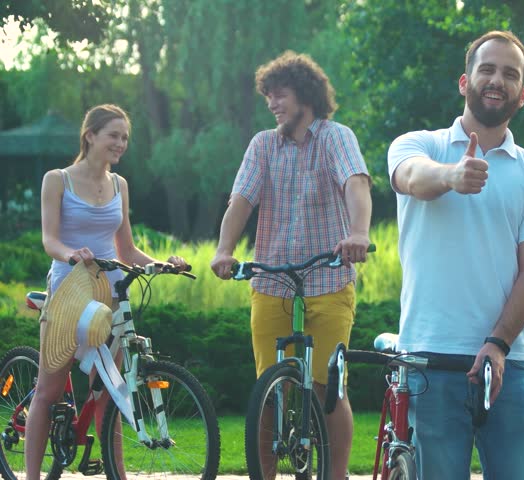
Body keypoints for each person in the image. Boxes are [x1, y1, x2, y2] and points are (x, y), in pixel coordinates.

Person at [387, 31, 524, 479]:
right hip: (429, 361)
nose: (496, 80)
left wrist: (499, 344)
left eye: (509, 74)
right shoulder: (416, 145)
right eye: (487, 69)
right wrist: (452, 175)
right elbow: (411, 179)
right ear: (464, 82)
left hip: (510, 366)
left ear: (521, 95)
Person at [209, 51, 371, 480]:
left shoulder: (336, 137)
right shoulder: (263, 144)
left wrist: (358, 233)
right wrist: (224, 249)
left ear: (306, 93)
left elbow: (356, 183)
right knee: (270, 389)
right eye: (268, 96)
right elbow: (241, 200)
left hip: (329, 280)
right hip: (271, 282)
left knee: (327, 389)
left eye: (279, 93)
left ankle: (334, 475)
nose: (272, 102)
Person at [26, 104, 187, 480]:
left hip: (111, 293)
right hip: (70, 291)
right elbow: (49, 239)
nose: (121, 143)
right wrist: (72, 253)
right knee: (48, 391)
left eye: (125, 137)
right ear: (90, 136)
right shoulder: (58, 179)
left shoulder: (120, 185)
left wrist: (165, 263)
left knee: (111, 393)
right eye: (113, 135)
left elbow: (126, 250)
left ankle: (119, 476)